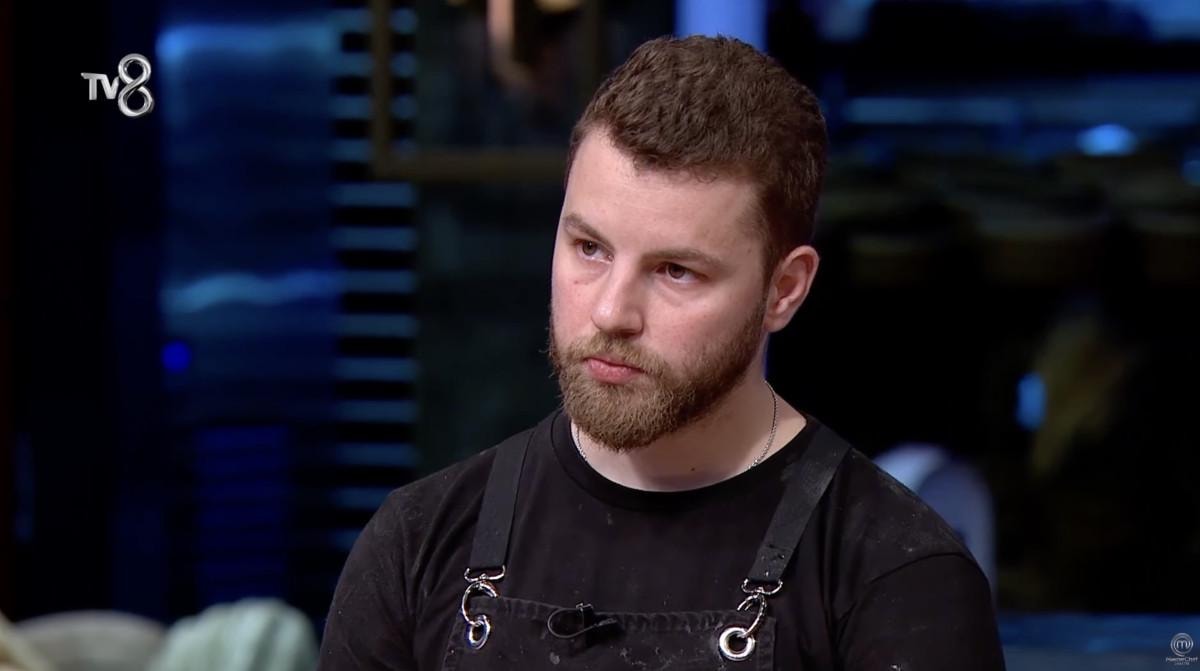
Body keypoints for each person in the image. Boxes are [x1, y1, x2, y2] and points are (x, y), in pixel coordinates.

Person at [317, 35, 1005, 670]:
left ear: (784, 289)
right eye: (589, 248)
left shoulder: (894, 580)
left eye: (676, 271)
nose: (611, 312)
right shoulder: (418, 544)